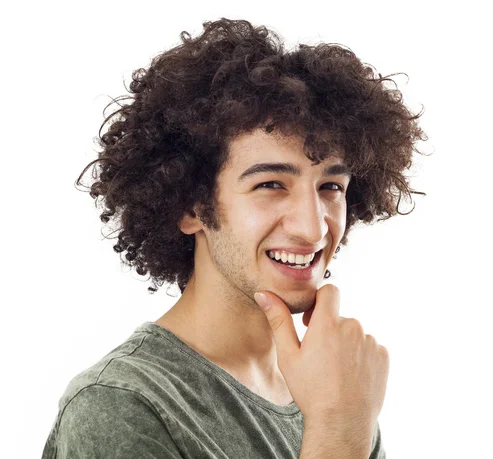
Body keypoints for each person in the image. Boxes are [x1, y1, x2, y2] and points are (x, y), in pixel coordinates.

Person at [42, 17, 426, 458]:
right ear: (191, 206)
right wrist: (339, 431)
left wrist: (345, 418)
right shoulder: (122, 405)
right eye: (270, 185)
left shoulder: (331, 385)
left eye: (330, 187)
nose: (313, 227)